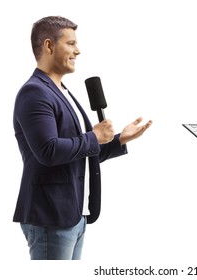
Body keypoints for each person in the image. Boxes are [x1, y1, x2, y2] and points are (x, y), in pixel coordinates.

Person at [12, 16, 152, 260]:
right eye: (71, 43)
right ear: (49, 46)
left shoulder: (62, 91)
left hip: (74, 215)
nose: (78, 50)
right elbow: (49, 151)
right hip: (50, 216)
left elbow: (83, 152)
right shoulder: (34, 92)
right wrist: (95, 136)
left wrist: (119, 140)